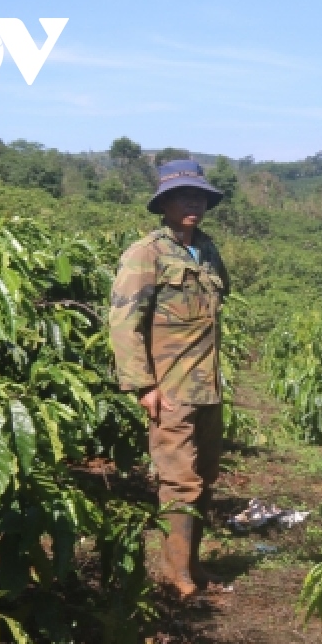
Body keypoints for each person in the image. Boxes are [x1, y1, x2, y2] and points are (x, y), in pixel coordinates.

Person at [108, 160, 230, 598]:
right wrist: (144, 385)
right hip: (171, 387)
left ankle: (192, 566)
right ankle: (175, 575)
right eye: (183, 196)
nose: (192, 204)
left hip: (207, 386)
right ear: (165, 204)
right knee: (179, 481)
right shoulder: (147, 252)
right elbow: (124, 322)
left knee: (205, 476)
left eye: (199, 196)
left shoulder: (208, 250)